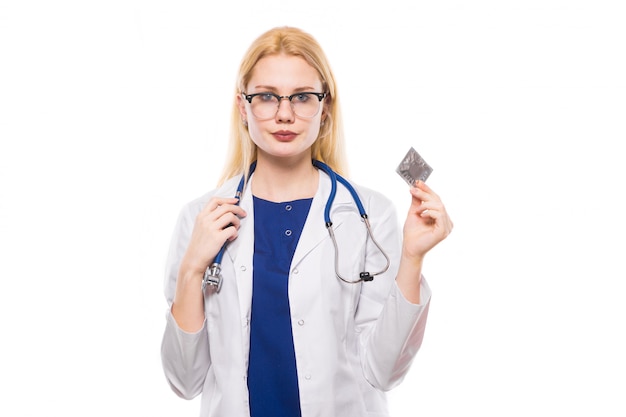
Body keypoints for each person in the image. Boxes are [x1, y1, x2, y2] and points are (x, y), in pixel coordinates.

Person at [161, 26, 453, 417]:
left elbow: (383, 372)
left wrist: (413, 259)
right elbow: (184, 380)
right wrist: (192, 268)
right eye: (266, 96)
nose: (285, 114)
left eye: (302, 97)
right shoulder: (201, 217)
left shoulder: (369, 215)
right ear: (242, 107)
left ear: (325, 106)